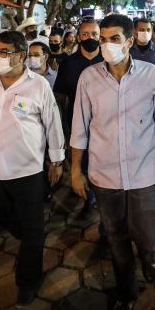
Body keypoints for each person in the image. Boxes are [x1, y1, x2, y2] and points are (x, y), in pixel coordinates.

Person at [70, 14, 155, 310]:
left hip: (144, 173)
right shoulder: (88, 78)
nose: (106, 45)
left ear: (130, 41)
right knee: (116, 236)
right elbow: (79, 129)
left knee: (145, 232)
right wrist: (75, 170)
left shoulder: (151, 75)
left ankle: (147, 254)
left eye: (114, 39)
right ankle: (127, 291)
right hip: (105, 176)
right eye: (103, 39)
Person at [0, 30, 64, 306]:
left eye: (4, 52)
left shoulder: (38, 85)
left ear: (21, 55)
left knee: (32, 227)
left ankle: (28, 279)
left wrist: (56, 160)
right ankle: (32, 238)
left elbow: (52, 123)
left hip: (28, 168)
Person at [53, 19, 103, 219]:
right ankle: (89, 199)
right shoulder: (68, 63)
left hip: (106, 125)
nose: (90, 38)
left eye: (94, 34)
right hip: (78, 124)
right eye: (85, 34)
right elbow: (60, 98)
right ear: (78, 36)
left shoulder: (109, 60)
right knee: (83, 164)